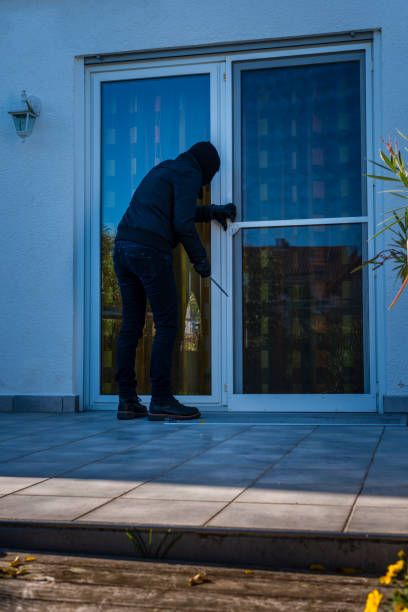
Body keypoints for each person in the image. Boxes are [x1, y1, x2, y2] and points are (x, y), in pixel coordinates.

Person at [113, 141, 236, 421]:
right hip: (149, 252)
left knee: (131, 326)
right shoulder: (190, 173)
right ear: (206, 168)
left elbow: (178, 211)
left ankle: (127, 400)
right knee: (167, 324)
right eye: (211, 175)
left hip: (123, 248)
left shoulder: (167, 169)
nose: (206, 182)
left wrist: (213, 211)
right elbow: (182, 223)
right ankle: (161, 399)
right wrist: (201, 262)